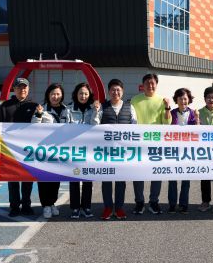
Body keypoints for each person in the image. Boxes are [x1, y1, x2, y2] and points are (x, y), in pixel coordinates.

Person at [92, 79, 137, 220]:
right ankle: (107, 207)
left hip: (123, 151)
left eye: (118, 90)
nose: (115, 92)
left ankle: (119, 208)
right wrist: (96, 111)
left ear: (122, 92)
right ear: (108, 91)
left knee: (120, 181)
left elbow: (135, 126)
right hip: (106, 150)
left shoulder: (129, 107)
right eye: (113, 90)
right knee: (106, 180)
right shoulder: (103, 106)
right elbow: (94, 125)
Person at [0, 77, 38, 217]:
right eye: (19, 87)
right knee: (12, 179)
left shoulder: (34, 106)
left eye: (25, 87)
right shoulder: (5, 106)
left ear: (28, 89)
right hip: (10, 148)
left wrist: (39, 113)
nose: (22, 89)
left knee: (28, 179)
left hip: (29, 149)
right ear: (14, 89)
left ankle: (26, 205)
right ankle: (14, 206)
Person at [130, 74, 172, 215]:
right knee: (138, 174)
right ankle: (139, 202)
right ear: (143, 85)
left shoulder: (162, 101)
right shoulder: (135, 100)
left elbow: (167, 123)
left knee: (156, 173)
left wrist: (167, 108)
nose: (150, 85)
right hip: (138, 143)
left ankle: (154, 202)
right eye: (147, 83)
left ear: (156, 84)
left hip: (156, 143)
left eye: (153, 83)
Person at [31, 83, 72, 219]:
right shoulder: (41, 109)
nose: (55, 96)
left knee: (55, 179)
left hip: (60, 150)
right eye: (53, 94)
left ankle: (52, 203)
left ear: (62, 95)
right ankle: (46, 206)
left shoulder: (66, 110)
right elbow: (33, 127)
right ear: (48, 95)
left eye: (58, 94)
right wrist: (38, 115)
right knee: (44, 180)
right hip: (44, 151)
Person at [167, 88, 199, 214]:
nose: (183, 101)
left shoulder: (193, 113)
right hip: (174, 150)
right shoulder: (172, 113)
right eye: (180, 99)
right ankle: (172, 204)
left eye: (185, 98)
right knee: (172, 178)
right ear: (176, 100)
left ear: (189, 100)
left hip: (188, 150)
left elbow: (198, 131)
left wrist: (197, 119)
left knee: (186, 179)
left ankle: (184, 204)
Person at [68, 82, 95, 219]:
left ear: (89, 95)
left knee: (87, 179)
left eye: (85, 93)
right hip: (73, 150)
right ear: (76, 94)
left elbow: (96, 126)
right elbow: (64, 128)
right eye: (80, 93)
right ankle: (75, 207)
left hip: (89, 150)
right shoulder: (69, 109)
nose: (83, 96)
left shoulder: (93, 109)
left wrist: (96, 111)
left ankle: (86, 207)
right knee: (74, 179)